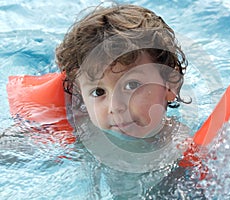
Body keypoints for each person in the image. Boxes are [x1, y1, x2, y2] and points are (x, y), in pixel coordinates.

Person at [55, 3, 195, 198]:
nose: (115, 106)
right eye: (98, 92)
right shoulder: (82, 130)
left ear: (170, 84)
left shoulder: (177, 144)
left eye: (132, 85)